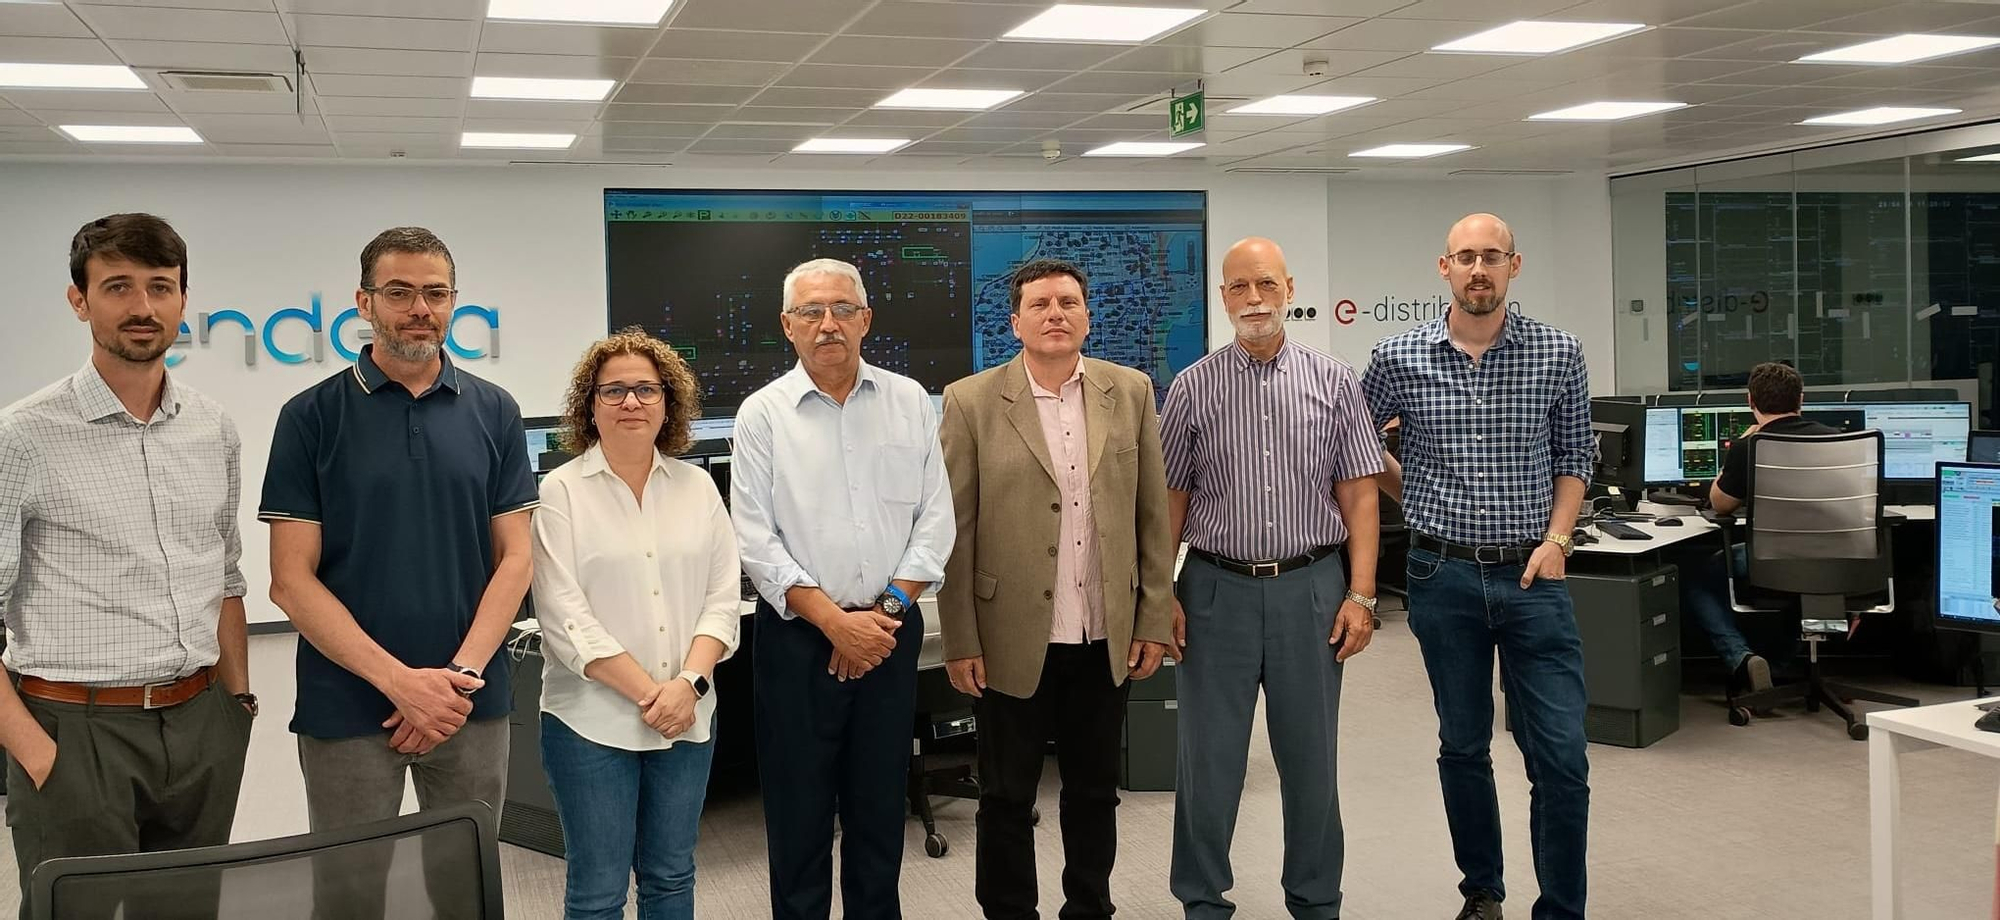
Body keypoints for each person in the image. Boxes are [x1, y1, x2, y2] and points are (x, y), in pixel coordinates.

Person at [262, 227, 537, 918]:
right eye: (400, 292)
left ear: (453, 302)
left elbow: (517, 558)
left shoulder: (495, 410)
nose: (420, 307)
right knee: (350, 898)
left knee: (467, 893)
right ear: (364, 301)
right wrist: (401, 684)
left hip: (470, 703)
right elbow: (290, 582)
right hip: (349, 707)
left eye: (435, 293)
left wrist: (458, 679)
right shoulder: (309, 417)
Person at [0, 213, 254, 920]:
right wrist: (39, 755)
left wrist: (236, 709)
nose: (142, 307)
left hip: (201, 724)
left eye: (160, 287)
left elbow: (227, 579)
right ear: (79, 300)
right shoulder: (22, 436)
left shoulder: (213, 427)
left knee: (187, 910)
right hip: (75, 733)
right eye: (117, 286)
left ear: (182, 300)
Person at [1363, 213, 1592, 920]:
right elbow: (1356, 450)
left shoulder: (1558, 353)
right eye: (1466, 258)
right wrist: (1418, 495)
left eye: (1492, 257)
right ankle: (1482, 893)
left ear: (1513, 267)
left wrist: (1558, 538)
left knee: (1560, 758)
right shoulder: (1398, 357)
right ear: (1444, 267)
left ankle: (1560, 908)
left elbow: (1574, 457)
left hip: (1533, 575)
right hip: (1443, 577)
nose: (1479, 270)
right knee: (1463, 744)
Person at [937, 258, 1176, 920]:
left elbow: (1153, 516)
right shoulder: (971, 401)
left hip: (1103, 634)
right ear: (1014, 322)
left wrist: (1153, 617)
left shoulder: (1128, 391)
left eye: (1068, 302)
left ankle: (1089, 908)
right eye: (1040, 304)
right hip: (1011, 636)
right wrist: (960, 637)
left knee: (1094, 791)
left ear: (1087, 316)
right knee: (1008, 796)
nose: (1055, 313)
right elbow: (954, 532)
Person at [1161, 237, 1384, 920]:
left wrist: (1362, 595)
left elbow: (1361, 496)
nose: (1253, 299)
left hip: (1311, 589)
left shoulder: (1334, 380)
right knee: (1209, 764)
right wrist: (1155, 598)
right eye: (1238, 288)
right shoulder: (1192, 387)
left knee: (1311, 762)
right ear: (1222, 297)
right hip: (1213, 592)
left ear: (1287, 287)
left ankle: (1316, 901)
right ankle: (1202, 900)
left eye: (1264, 284)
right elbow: (1170, 500)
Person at [731, 257, 954, 920]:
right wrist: (835, 624)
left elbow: (936, 519)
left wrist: (879, 618)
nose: (827, 324)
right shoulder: (762, 414)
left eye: (842, 310)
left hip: (888, 634)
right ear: (787, 326)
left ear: (866, 321)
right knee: (799, 816)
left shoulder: (910, 400)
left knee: (879, 810)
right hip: (801, 641)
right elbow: (755, 538)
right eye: (810, 312)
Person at [531, 328, 742, 920]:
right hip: (590, 725)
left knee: (671, 878)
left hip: (688, 718)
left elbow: (722, 600)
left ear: (668, 402)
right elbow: (567, 618)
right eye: (614, 391)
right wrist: (656, 695)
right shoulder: (560, 492)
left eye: (646, 390)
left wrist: (689, 687)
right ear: (589, 405)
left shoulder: (698, 487)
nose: (631, 403)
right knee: (598, 892)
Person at [1681, 361, 1835, 693]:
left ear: (1750, 402)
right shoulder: (1837, 441)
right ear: (1801, 400)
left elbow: (1720, 504)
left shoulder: (1748, 447)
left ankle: (1741, 660)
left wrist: (1741, 443)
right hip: (1837, 561)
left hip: (1770, 563)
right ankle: (1779, 666)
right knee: (1803, 583)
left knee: (1697, 578)